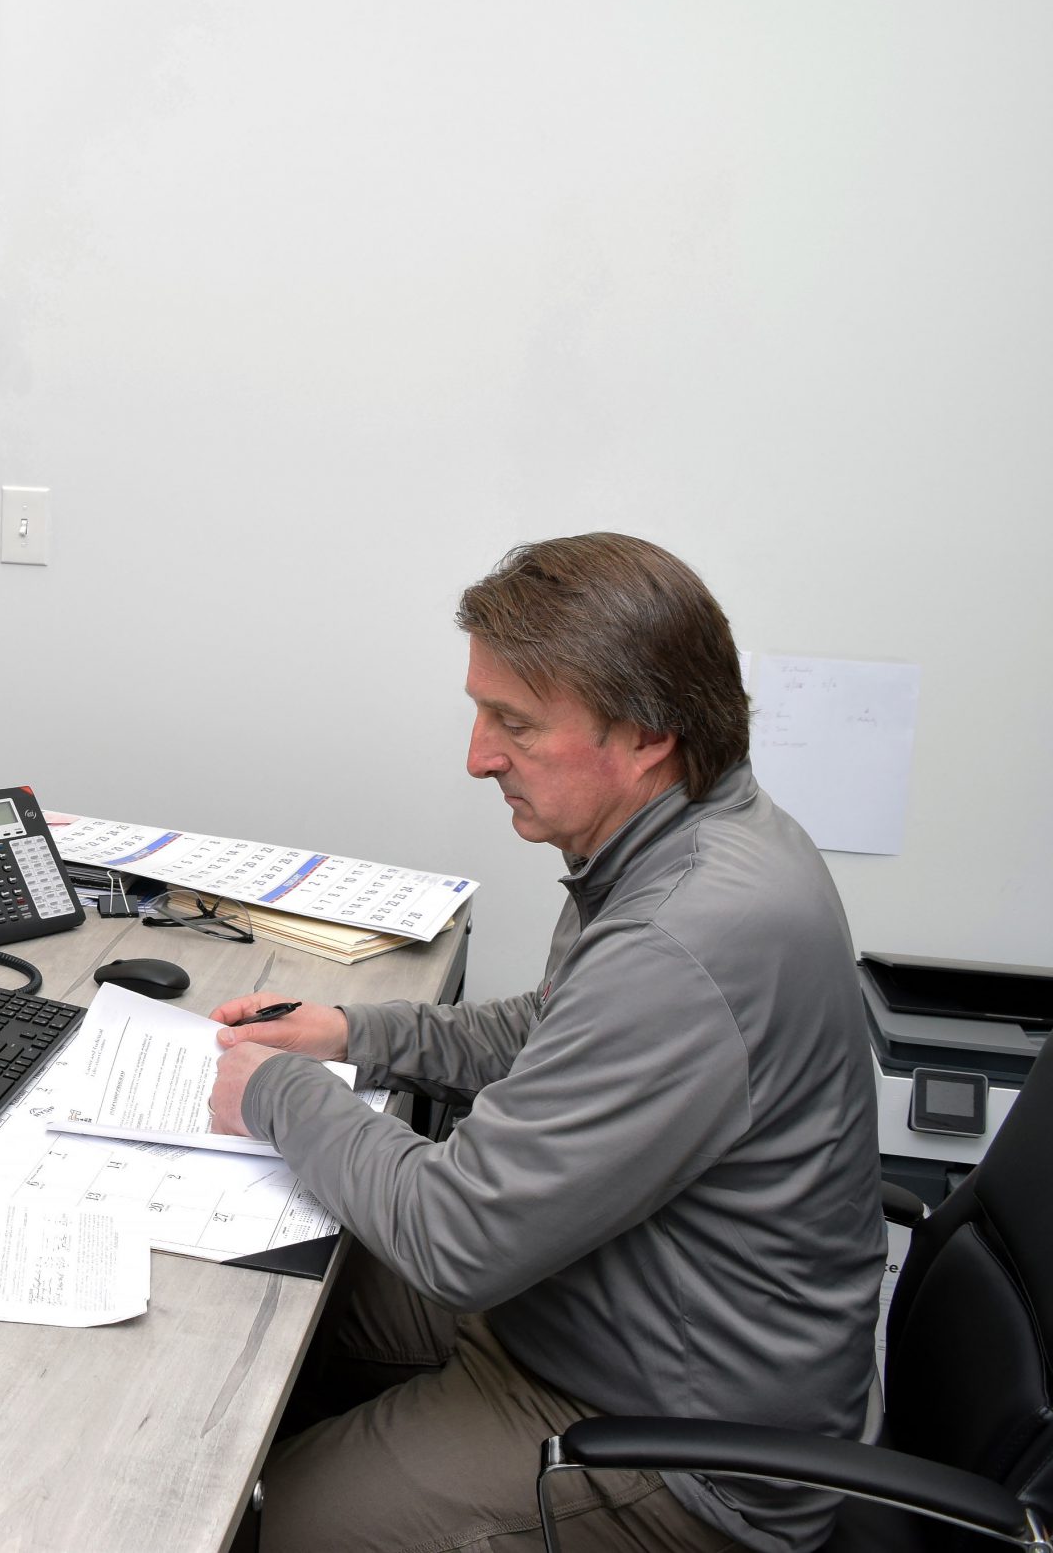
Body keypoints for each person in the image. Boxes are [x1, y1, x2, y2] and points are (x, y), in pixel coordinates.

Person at [207, 533, 882, 1553]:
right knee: (271, 1301)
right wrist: (352, 1031)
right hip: (593, 1309)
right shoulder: (689, 836)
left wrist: (280, 1092)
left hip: (678, 1450)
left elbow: (458, 1236)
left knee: (264, 1519)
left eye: (513, 724)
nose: (478, 756)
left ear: (646, 732)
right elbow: (552, 1031)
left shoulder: (686, 934)